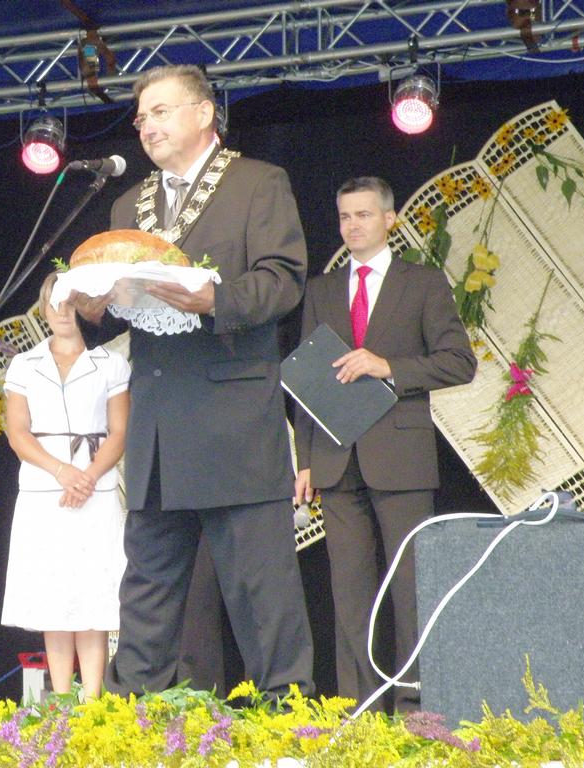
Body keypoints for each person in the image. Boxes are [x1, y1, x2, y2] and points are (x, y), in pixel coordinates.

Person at [73, 64, 314, 699]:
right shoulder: (128, 205)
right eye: (140, 117)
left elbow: (283, 280)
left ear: (204, 113)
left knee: (261, 591)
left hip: (233, 419)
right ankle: (130, 717)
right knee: (147, 590)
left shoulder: (257, 183)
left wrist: (215, 298)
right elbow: (123, 309)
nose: (147, 126)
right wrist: (92, 309)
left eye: (160, 111)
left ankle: (289, 719)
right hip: (158, 421)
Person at [293, 176, 476, 712]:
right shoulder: (321, 290)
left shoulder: (423, 283)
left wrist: (387, 366)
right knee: (350, 591)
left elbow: (459, 362)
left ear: (390, 220)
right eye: (345, 216)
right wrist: (304, 460)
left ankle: (414, 707)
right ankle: (359, 711)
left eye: (364, 214)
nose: (352, 226)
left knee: (410, 586)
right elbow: (307, 381)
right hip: (334, 457)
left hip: (400, 456)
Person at [0, 271, 130, 699]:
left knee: (94, 596)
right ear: (43, 308)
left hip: (96, 490)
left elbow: (119, 431)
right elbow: (18, 433)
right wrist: (61, 472)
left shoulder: (110, 363)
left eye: (71, 304)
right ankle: (60, 700)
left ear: (85, 310)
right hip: (45, 491)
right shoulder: (24, 365)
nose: (62, 313)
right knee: (54, 597)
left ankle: (92, 702)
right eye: (55, 303)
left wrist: (87, 477)